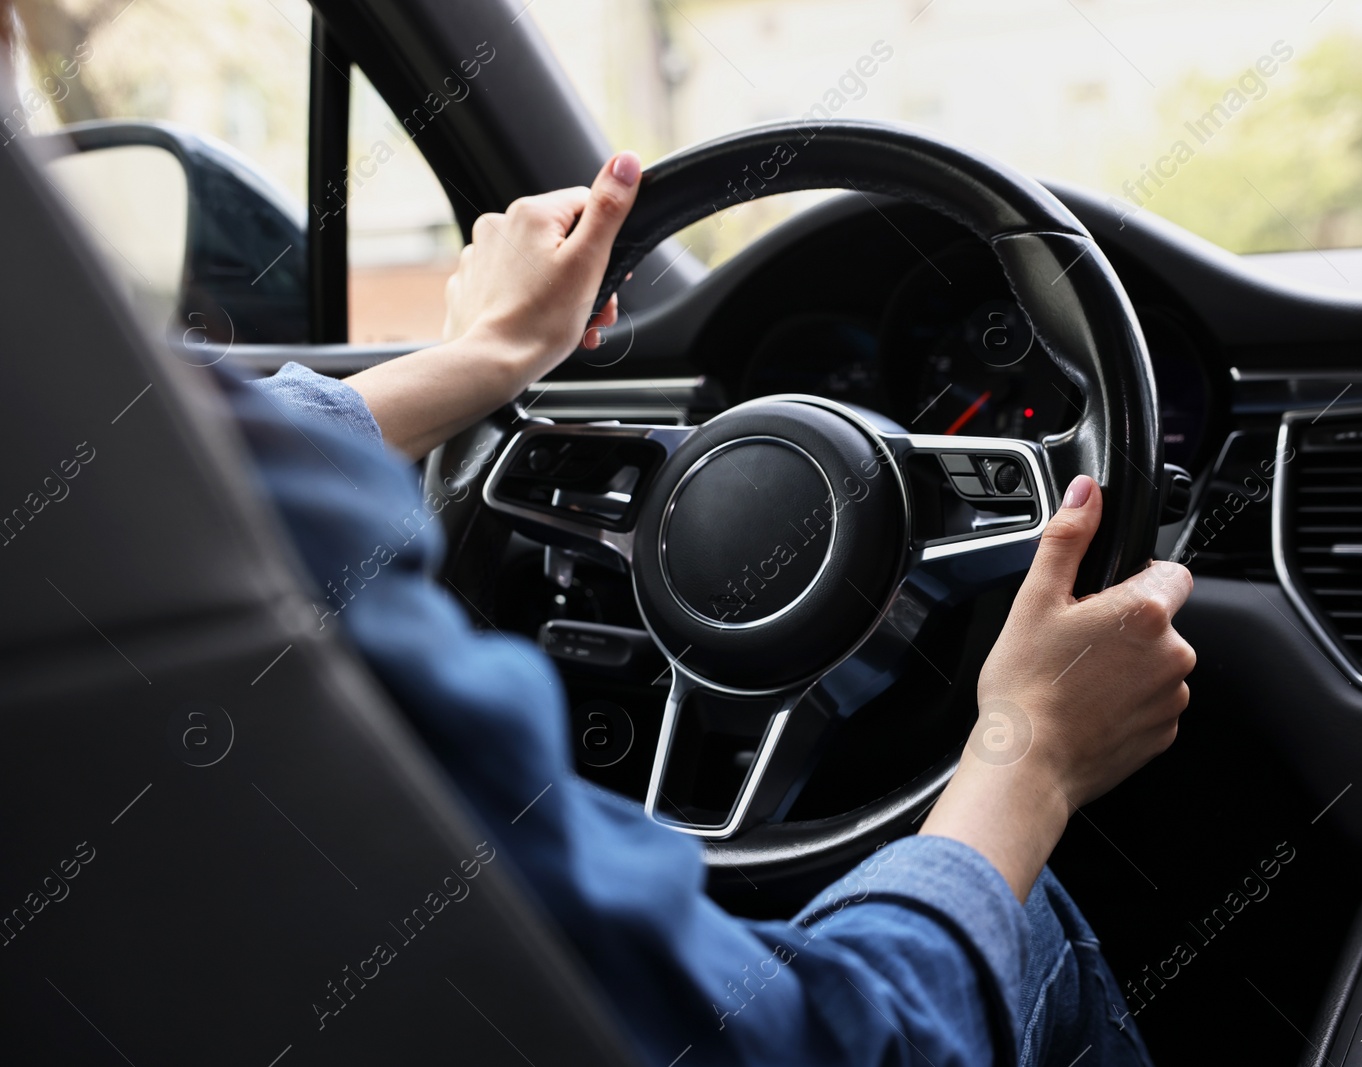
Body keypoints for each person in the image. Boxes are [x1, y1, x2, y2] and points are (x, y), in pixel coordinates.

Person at [231, 149, 1195, 1066]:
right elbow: (848, 1045)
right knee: (1016, 915)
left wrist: (492, 352)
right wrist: (1031, 754)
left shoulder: (144, 548)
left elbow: (220, 474)